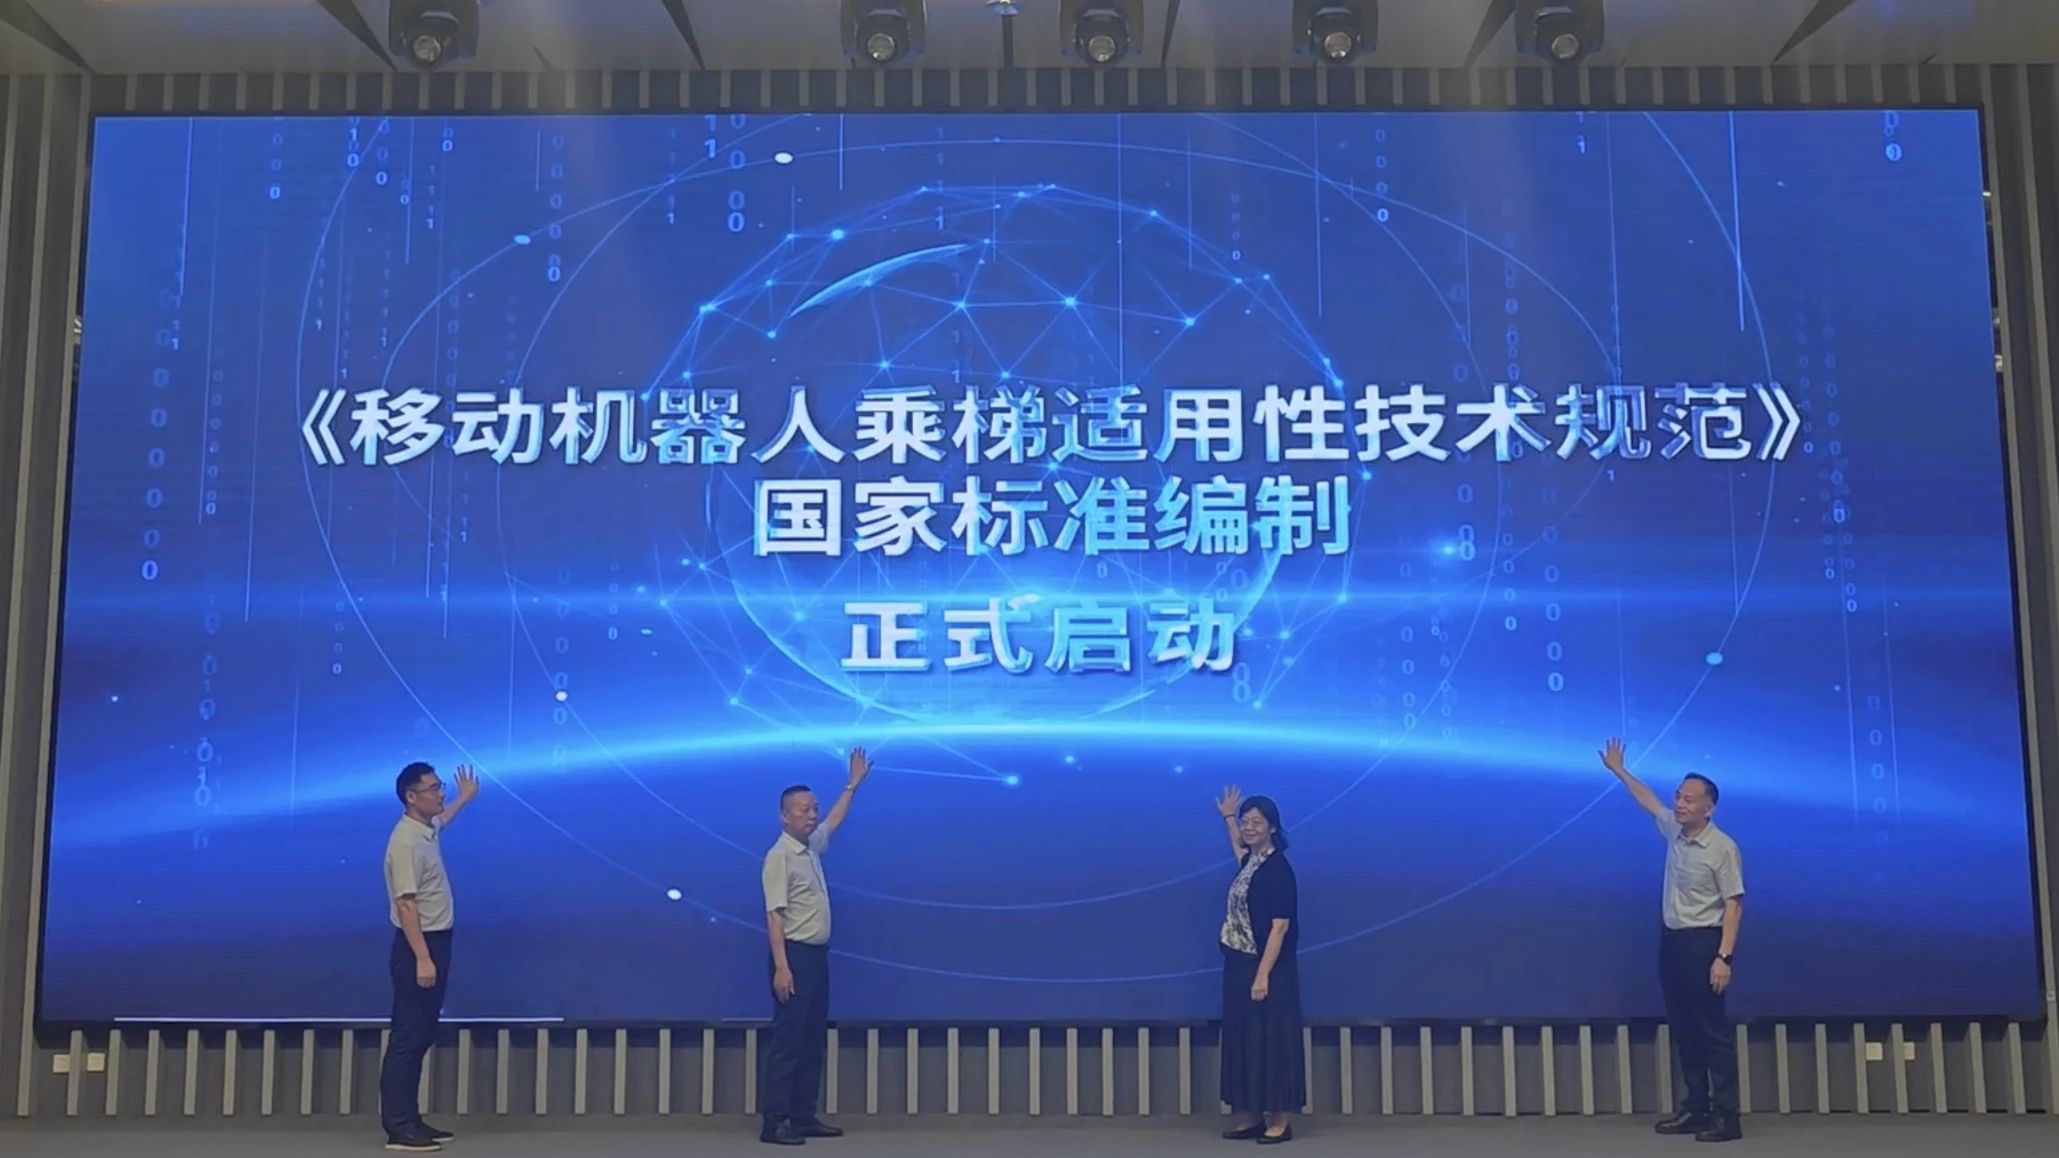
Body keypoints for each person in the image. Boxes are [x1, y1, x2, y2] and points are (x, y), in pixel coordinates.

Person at [1600, 738, 1745, 1144]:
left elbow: (1734, 905)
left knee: (1713, 1033)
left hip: (1705, 945)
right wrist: (1620, 770)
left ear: (1708, 808)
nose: (1679, 803)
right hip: (1673, 944)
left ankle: (1727, 1117)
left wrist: (1724, 957)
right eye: (1679, 796)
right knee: (1685, 1030)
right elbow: (1648, 801)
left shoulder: (1723, 848)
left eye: (1688, 799)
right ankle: (1696, 1109)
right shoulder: (1674, 831)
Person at [757, 747, 871, 1146]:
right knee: (788, 1042)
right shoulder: (779, 857)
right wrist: (782, 967)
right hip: (794, 957)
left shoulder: (810, 847)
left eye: (814, 808)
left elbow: (834, 821)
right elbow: (774, 916)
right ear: (784, 815)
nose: (812, 815)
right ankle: (775, 1122)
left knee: (811, 1040)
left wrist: (852, 785)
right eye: (804, 810)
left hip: (817, 958)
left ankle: (803, 1116)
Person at [379, 761, 479, 1153]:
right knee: (408, 1036)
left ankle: (412, 1118)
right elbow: (406, 904)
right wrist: (422, 957)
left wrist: (464, 799)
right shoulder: (405, 842)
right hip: (417, 946)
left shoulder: (424, 829)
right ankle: (399, 1128)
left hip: (434, 943)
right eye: (434, 788)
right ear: (411, 796)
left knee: (421, 1033)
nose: (441, 793)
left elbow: (442, 820)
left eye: (440, 787)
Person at [1213, 787, 1304, 1145]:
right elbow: (1239, 850)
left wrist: (1262, 975)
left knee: (1272, 1042)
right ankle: (1251, 1115)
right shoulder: (1252, 862)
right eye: (1245, 822)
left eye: (1256, 822)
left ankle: (1279, 1121)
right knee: (1246, 1040)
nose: (1248, 828)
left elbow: (1279, 928)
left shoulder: (1279, 870)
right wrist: (1228, 816)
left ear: (1273, 827)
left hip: (1269, 970)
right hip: (1240, 964)